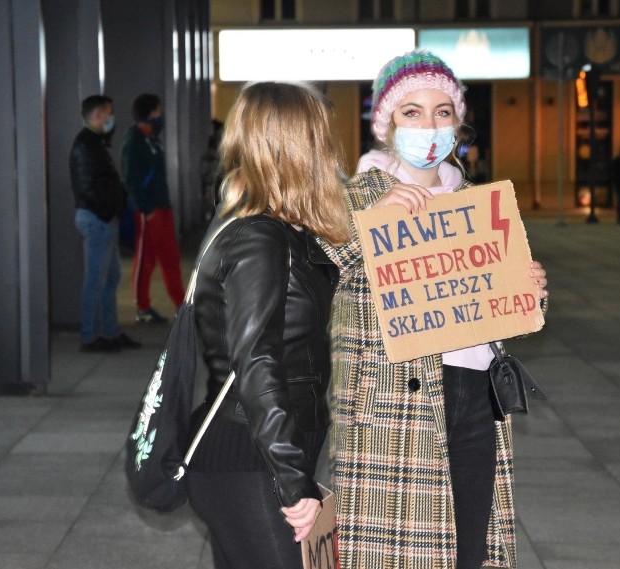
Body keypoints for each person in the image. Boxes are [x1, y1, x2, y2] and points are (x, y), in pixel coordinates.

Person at [320, 50, 549, 569]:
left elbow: (495, 299)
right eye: (412, 112)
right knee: (398, 555)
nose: (429, 126)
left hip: (473, 396)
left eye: (442, 112)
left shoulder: (478, 203)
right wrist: (367, 225)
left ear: (458, 121)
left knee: (469, 546)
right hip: (392, 409)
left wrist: (527, 288)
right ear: (386, 123)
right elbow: (319, 271)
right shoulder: (354, 198)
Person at [186, 82, 350, 568]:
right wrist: (294, 481)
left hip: (261, 452)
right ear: (298, 146)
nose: (330, 149)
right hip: (250, 456)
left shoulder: (281, 230)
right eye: (320, 137)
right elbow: (255, 361)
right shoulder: (259, 237)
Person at [69, 95, 141, 352]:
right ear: (98, 114)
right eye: (109, 113)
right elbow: (89, 187)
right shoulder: (86, 145)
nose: (112, 118)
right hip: (97, 219)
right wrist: (108, 211)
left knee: (111, 277)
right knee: (95, 280)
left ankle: (111, 332)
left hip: (103, 218)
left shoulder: (95, 143)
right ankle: (89, 337)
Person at [121, 94, 186, 324]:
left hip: (161, 208)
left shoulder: (151, 140)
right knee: (145, 260)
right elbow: (131, 178)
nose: (161, 116)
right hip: (148, 211)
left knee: (169, 258)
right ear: (150, 113)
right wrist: (145, 208)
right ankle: (143, 307)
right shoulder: (135, 141)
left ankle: (182, 305)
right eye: (158, 111)